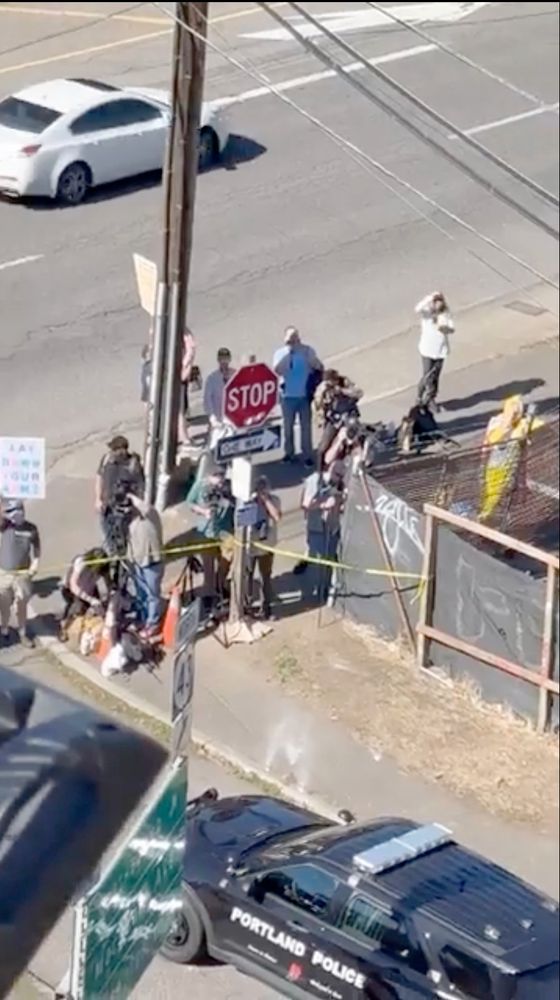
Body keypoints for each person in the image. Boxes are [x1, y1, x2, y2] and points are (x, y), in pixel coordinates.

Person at [479, 395, 544, 523]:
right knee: (493, 497)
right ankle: (484, 519)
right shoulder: (497, 422)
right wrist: (507, 423)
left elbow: (538, 427)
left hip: (513, 468)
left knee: (509, 496)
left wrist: (529, 420)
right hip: (497, 467)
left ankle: (501, 519)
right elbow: (494, 439)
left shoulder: (522, 424)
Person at [273, 327, 323, 469]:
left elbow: (317, 366)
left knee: (305, 427)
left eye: (295, 337)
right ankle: (289, 453)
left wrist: (306, 355)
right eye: (290, 338)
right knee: (288, 428)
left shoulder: (307, 351)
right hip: (287, 397)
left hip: (304, 396)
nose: (293, 341)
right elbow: (277, 370)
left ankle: (307, 455)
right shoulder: (280, 353)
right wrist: (289, 352)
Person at [187, 466, 235, 610]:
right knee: (208, 565)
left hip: (225, 529)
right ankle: (210, 592)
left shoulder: (228, 486)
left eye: (221, 478)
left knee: (228, 558)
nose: (219, 482)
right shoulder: (200, 486)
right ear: (210, 476)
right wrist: (203, 511)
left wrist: (226, 495)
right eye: (216, 478)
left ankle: (220, 584)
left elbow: (236, 503)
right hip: (206, 529)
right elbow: (189, 502)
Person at [301, 463, 346, 604]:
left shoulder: (339, 484)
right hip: (317, 528)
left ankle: (325, 591)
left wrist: (341, 500)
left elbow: (342, 504)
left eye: (341, 477)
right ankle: (313, 593)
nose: (338, 479)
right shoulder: (315, 480)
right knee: (317, 563)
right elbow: (306, 504)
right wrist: (323, 504)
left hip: (332, 527)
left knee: (329, 561)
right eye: (337, 476)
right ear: (331, 471)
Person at [0, 499, 41, 649]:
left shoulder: (31, 529)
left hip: (23, 574)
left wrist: (35, 563)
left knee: (21, 604)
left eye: (19, 511)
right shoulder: (5, 527)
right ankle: (4, 630)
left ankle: (22, 633)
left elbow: (37, 549)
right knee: (4, 604)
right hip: (4, 573)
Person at [95, 436, 145, 554]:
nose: (111, 452)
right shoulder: (107, 459)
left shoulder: (134, 465)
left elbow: (141, 488)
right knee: (108, 536)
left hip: (124, 512)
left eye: (114, 449)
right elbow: (99, 477)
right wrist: (98, 499)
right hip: (106, 508)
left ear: (123, 450)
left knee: (124, 540)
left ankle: (123, 558)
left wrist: (137, 509)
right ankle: (113, 555)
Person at [127, 494, 164, 637]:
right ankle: (142, 619)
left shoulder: (152, 517)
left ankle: (153, 624)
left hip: (152, 563)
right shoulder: (131, 521)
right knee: (141, 594)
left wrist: (132, 496)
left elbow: (147, 508)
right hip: (138, 563)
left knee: (152, 595)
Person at [247, 476, 282, 620]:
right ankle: (247, 607)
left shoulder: (274, 500)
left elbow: (277, 517)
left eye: (264, 488)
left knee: (266, 578)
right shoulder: (250, 503)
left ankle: (267, 608)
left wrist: (266, 501)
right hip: (251, 546)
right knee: (247, 577)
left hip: (267, 547)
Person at [314, 369, 362, 469]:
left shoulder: (345, 382)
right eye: (328, 382)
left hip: (349, 416)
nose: (331, 384)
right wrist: (322, 395)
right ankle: (320, 472)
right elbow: (317, 404)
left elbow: (359, 393)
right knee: (323, 447)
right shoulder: (323, 387)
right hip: (334, 418)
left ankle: (361, 463)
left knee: (354, 440)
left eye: (333, 381)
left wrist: (342, 391)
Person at [415, 291, 455, 410]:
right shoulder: (427, 314)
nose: (438, 305)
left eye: (440, 302)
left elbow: (452, 328)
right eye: (436, 302)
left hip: (440, 350)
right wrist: (429, 297)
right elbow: (417, 308)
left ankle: (431, 398)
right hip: (427, 349)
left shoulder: (445, 314)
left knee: (435, 376)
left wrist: (446, 329)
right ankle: (419, 398)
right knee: (427, 375)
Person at [60, 547, 109, 640]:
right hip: (73, 590)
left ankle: (99, 630)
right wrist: (89, 599)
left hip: (90, 588)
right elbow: (73, 584)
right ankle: (64, 628)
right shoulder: (81, 562)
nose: (97, 570)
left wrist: (112, 594)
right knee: (76, 608)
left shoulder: (103, 567)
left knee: (100, 609)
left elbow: (108, 583)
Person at [203, 348, 236, 448]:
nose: (224, 362)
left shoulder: (235, 374)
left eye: (226, 359)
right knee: (215, 447)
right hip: (218, 420)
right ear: (218, 360)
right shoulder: (212, 378)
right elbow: (207, 400)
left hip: (233, 420)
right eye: (221, 359)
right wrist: (212, 418)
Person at [179, 328, 198, 446]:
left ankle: (182, 431)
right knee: (180, 410)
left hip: (180, 375)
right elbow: (191, 349)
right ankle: (183, 437)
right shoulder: (184, 334)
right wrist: (185, 365)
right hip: (179, 375)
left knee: (181, 408)